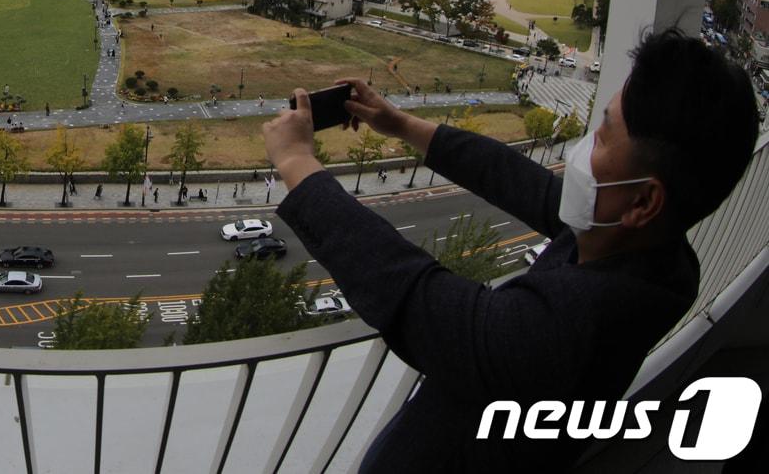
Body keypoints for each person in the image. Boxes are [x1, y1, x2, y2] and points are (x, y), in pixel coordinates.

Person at [261, 28, 757, 472]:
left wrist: (297, 163)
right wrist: (401, 124)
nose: (586, 147)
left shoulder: (561, 328)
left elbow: (415, 296)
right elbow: (516, 180)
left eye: (604, 135)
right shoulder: (649, 254)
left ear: (644, 200)